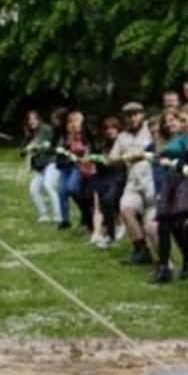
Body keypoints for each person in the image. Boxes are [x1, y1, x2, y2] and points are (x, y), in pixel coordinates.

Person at [151, 107, 188, 284]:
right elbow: (157, 156)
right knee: (163, 224)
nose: (170, 124)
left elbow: (176, 154)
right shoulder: (167, 139)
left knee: (177, 222)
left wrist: (164, 156)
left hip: (185, 181)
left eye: (174, 120)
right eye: (166, 122)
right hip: (170, 181)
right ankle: (164, 266)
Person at [110, 102, 158, 265]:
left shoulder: (150, 130)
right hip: (133, 180)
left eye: (136, 114)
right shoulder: (122, 136)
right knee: (125, 208)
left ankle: (163, 258)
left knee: (152, 220)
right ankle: (140, 249)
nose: (132, 118)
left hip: (152, 179)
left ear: (142, 114)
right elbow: (111, 158)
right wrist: (125, 157)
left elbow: (159, 148)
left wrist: (142, 154)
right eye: (129, 115)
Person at [56, 110, 95, 232]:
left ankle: (86, 212)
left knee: (72, 188)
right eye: (72, 121)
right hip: (67, 165)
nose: (74, 123)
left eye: (77, 120)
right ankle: (65, 220)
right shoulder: (67, 134)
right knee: (62, 191)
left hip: (80, 167)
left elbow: (88, 149)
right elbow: (61, 147)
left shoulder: (86, 134)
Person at [91, 117, 125, 248]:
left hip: (118, 177)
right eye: (107, 129)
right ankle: (109, 234)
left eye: (113, 128)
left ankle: (112, 230)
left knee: (109, 200)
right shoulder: (102, 145)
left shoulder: (123, 141)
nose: (110, 131)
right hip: (103, 177)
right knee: (102, 202)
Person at [21, 110, 60, 222]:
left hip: (50, 163)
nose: (32, 122)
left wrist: (35, 147)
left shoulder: (45, 129)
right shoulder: (29, 134)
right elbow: (22, 151)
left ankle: (58, 215)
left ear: (39, 119)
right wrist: (26, 149)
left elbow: (46, 145)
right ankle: (44, 214)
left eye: (34, 119)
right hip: (39, 168)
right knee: (33, 189)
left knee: (49, 186)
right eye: (29, 120)